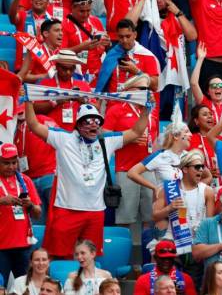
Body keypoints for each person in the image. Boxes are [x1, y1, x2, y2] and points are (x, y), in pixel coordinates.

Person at [24, 101, 149, 258]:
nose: (93, 126)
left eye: (97, 122)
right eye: (88, 121)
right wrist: (28, 102)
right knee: (60, 255)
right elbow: (34, 125)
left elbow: (136, 131)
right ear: (78, 124)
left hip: (95, 210)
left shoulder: (107, 140)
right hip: (67, 208)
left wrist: (146, 111)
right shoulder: (63, 138)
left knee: (90, 256)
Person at [103, 74, 160, 234]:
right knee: (125, 217)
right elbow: (104, 137)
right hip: (126, 169)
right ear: (129, 90)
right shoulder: (116, 110)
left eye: (148, 89)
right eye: (142, 89)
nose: (146, 92)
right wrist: (128, 137)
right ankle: (124, 253)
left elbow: (154, 140)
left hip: (147, 169)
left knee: (150, 216)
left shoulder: (152, 112)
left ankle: (148, 251)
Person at [0, 142, 41, 284]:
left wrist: (31, 206)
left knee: (26, 287)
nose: (11, 167)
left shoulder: (25, 180)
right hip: (1, 247)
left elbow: (38, 214)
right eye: (6, 163)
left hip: (23, 245)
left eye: (13, 162)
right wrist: (1, 201)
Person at [127, 121, 194, 194]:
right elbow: (132, 173)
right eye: (187, 132)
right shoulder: (160, 156)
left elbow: (206, 176)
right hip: (166, 203)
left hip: (187, 203)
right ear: (175, 136)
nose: (191, 135)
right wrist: (154, 188)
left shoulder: (190, 156)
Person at [98, 18, 160, 95]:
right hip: (113, 103)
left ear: (135, 35)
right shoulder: (112, 55)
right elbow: (101, 84)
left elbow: (155, 86)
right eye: (121, 37)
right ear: (117, 36)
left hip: (136, 103)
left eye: (128, 36)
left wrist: (137, 72)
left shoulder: (147, 56)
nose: (124, 40)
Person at [33, 50, 92, 130]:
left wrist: (82, 100)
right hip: (50, 133)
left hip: (76, 133)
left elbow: (96, 108)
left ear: (74, 68)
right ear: (57, 66)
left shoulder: (83, 85)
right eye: (64, 68)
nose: (68, 72)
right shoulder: (45, 83)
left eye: (71, 69)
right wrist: (55, 102)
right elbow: (34, 109)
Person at [61, 0, 110, 83]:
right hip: (76, 74)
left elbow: (105, 48)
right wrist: (81, 47)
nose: (85, 14)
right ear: (72, 8)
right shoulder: (64, 25)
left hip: (96, 73)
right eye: (82, 11)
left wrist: (107, 43)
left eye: (88, 11)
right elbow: (60, 54)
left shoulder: (96, 21)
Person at [18, 19, 64, 83]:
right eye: (57, 30)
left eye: (62, 30)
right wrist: (44, 76)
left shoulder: (63, 53)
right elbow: (23, 76)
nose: (61, 33)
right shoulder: (36, 51)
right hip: (39, 89)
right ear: (46, 34)